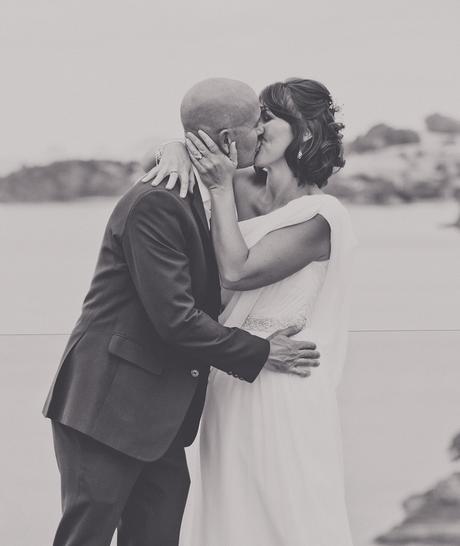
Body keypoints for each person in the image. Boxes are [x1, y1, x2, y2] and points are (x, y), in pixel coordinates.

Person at [42, 78, 321, 546]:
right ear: (231, 140)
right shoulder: (157, 202)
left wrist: (175, 145)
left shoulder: (224, 191)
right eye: (257, 124)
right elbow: (175, 320)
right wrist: (262, 352)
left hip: (160, 418)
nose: (264, 132)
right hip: (107, 407)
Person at [143, 77, 357, 546]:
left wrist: (219, 189)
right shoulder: (239, 185)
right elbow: (172, 175)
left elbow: (237, 272)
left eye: (267, 117)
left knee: (293, 514)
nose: (254, 128)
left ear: (302, 131)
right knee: (233, 517)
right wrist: (174, 148)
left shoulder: (322, 216)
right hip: (230, 377)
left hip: (285, 383)